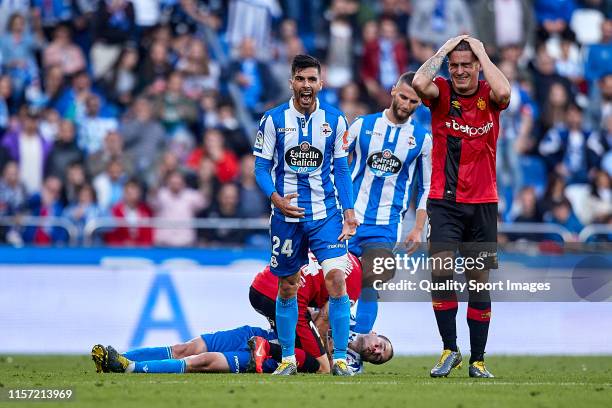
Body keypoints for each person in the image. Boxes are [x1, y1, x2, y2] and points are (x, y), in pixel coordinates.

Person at [253, 54, 358, 375]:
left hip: (325, 214)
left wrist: (349, 211)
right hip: (286, 217)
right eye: (301, 79)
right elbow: (260, 167)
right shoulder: (272, 120)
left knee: (337, 278)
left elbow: (341, 169)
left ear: (321, 83)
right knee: (288, 285)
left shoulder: (335, 121)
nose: (307, 85)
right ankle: (287, 359)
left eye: (312, 79)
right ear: (292, 82)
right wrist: (276, 198)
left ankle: (339, 358)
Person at [413, 36, 511, 378]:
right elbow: (418, 82)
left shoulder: (489, 95)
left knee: (477, 281)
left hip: (483, 202)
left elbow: (505, 94)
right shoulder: (439, 91)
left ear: (477, 67)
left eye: (465, 65)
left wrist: (482, 51)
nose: (459, 71)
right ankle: (449, 349)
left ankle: (478, 359)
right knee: (440, 273)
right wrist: (442, 50)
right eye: (454, 65)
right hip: (444, 201)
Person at [346, 71, 432, 335]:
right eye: (403, 97)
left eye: (413, 102)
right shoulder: (362, 125)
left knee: (373, 279)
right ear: (394, 90)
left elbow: (428, 186)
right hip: (348, 219)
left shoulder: (422, 139)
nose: (406, 105)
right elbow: (336, 165)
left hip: (386, 225)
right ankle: (328, 345)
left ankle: (356, 349)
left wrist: (418, 228)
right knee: (335, 279)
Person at [91, 324, 392, 375]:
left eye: (380, 356)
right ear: (376, 334)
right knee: (187, 347)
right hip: (258, 333)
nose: (377, 350)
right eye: (383, 345)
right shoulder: (347, 312)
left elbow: (321, 367)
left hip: (273, 356)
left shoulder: (351, 363)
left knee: (204, 361)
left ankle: (129, 368)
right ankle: (118, 357)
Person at [249, 251, 363, 374]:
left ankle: (253, 352)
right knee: (323, 367)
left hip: (257, 289)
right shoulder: (355, 284)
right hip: (285, 300)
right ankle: (266, 347)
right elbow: (322, 323)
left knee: (292, 342)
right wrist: (328, 357)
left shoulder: (338, 252)